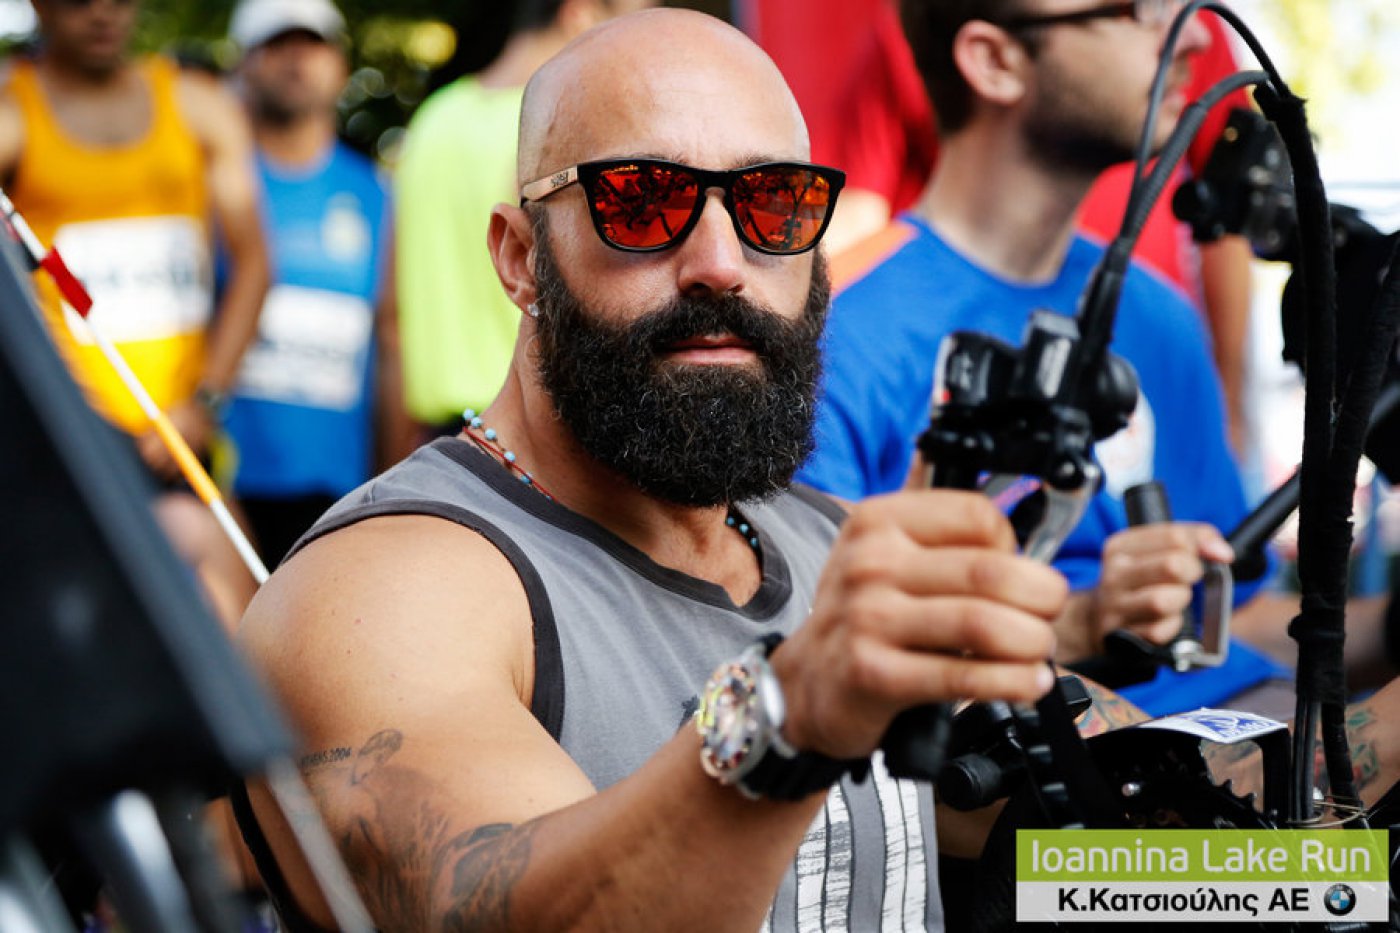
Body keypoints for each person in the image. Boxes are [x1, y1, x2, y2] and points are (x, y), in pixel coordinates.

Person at [231, 10, 1079, 930]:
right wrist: (789, 716)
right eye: (641, 202)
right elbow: (503, 913)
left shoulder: (833, 546)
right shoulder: (379, 595)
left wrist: (1199, 860)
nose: (721, 263)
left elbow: (1064, 867)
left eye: (774, 202)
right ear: (520, 258)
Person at [797, 0, 1283, 718]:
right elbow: (822, 664)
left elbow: (1239, 620)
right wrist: (1083, 621)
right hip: (1059, 770)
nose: (1193, 38)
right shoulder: (832, 337)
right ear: (995, 61)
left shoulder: (1162, 317)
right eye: (1136, 10)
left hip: (1240, 733)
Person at [0, 0, 269, 628]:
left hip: (182, 430)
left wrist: (204, 402)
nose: (102, 13)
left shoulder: (197, 104)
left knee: (248, 631)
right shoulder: (14, 112)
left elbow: (254, 262)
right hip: (73, 440)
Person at [394, 0, 653, 438]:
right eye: (630, 27)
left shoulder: (434, 117)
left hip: (439, 440)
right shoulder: (557, 125)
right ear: (579, 13)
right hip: (530, 436)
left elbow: (391, 317)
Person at [223, 0, 409, 567]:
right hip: (222, 487)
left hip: (337, 499)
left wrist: (395, 491)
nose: (297, 60)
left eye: (313, 44)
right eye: (276, 45)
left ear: (340, 63)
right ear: (244, 62)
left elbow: (391, 341)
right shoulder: (214, 185)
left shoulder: (377, 193)